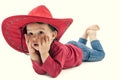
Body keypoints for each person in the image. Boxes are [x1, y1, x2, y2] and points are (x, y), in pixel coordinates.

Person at [1, 5, 105, 78]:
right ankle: (85, 34)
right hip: (70, 46)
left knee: (100, 54)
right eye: (31, 33)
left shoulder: (58, 50)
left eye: (41, 32)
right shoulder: (38, 48)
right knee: (78, 45)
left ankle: (91, 34)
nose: (34, 38)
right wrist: (33, 54)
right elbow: (40, 71)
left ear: (53, 35)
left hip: (80, 53)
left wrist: (44, 53)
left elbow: (54, 72)